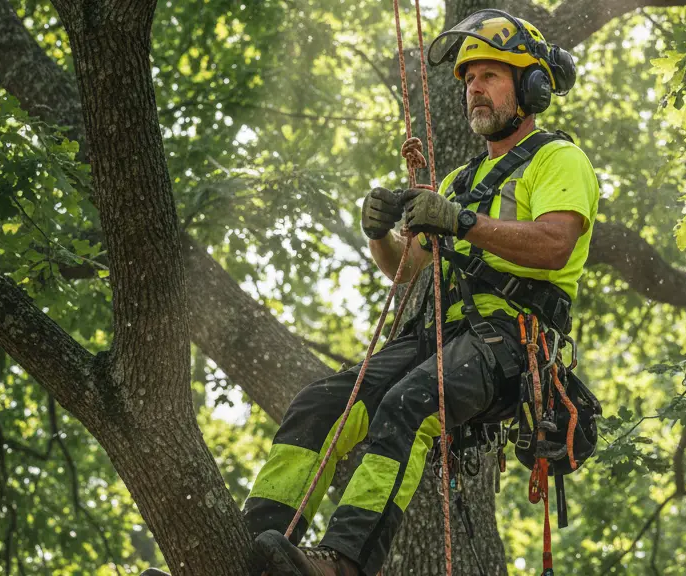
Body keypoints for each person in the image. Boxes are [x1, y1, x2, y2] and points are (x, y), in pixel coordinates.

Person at [245, 9, 600, 576]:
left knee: (409, 404)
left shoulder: (559, 158)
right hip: (438, 338)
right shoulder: (461, 182)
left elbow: (555, 244)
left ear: (531, 87)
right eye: (469, 81)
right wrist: (379, 231)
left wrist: (459, 222)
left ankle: (343, 563)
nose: (475, 90)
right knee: (318, 405)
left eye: (490, 75)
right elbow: (405, 269)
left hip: (510, 342)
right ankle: (247, 546)